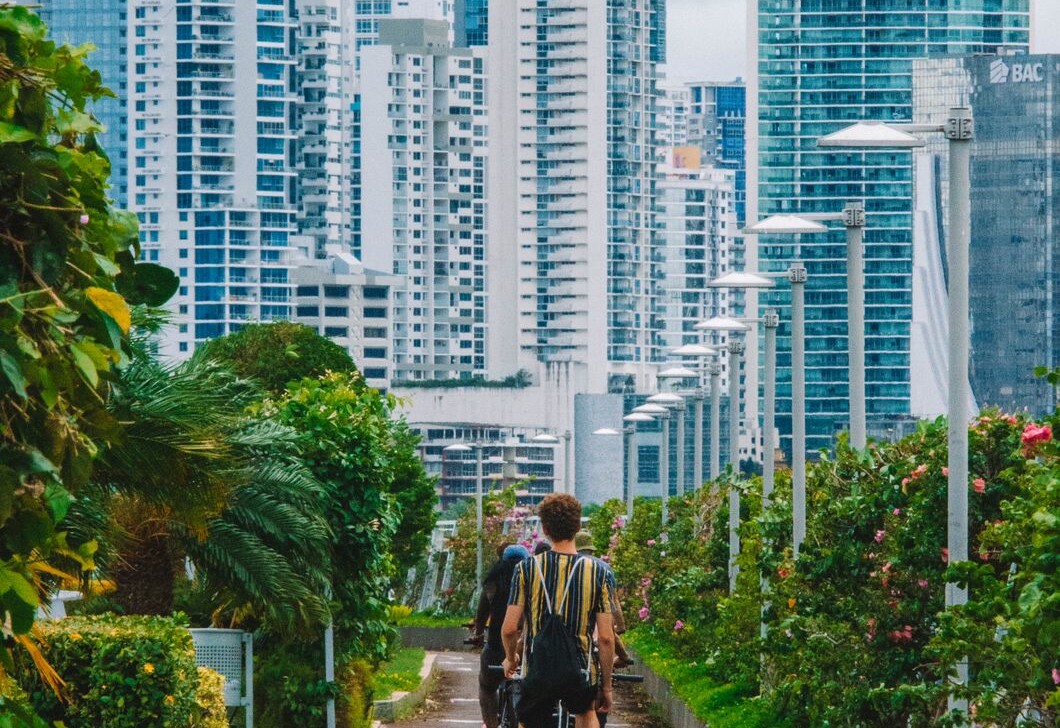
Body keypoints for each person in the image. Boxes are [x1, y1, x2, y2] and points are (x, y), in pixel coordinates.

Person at [502, 494, 615, 728]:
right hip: (580, 670)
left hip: (538, 669)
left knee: (529, 719)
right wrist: (606, 686)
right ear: (578, 526)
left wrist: (510, 657)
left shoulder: (526, 569)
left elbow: (510, 628)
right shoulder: (599, 572)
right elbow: (605, 638)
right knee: (585, 711)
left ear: (544, 528)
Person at [474, 542, 530, 728]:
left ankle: (490, 724)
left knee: (487, 686)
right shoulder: (531, 582)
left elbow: (482, 613)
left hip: (496, 646)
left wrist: (479, 632)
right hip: (525, 649)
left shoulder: (492, 583)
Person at [574, 531, 631, 668]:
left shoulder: (569, 565)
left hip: (575, 615)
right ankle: (623, 658)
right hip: (600, 612)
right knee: (608, 631)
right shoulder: (604, 568)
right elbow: (613, 599)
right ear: (591, 550)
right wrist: (621, 624)